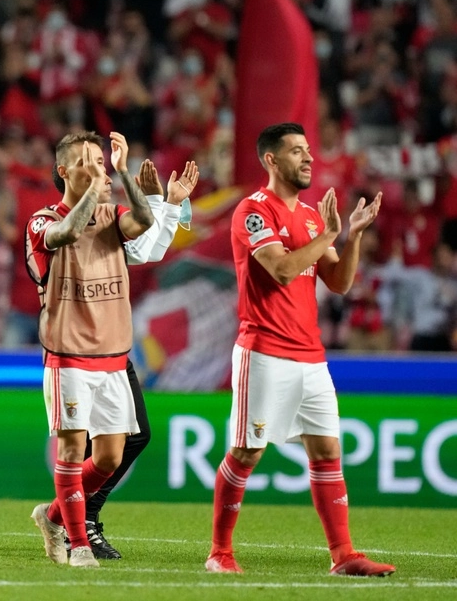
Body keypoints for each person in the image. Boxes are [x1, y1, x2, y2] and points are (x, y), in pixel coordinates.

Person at [206, 122, 394, 577]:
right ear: (271, 160)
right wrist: (329, 236)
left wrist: (352, 234)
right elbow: (284, 270)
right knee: (247, 451)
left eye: (308, 150)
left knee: (327, 450)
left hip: (311, 354)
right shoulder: (253, 211)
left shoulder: (312, 217)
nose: (308, 158)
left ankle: (343, 555)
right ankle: (220, 553)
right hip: (264, 349)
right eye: (296, 151)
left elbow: (341, 282)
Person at [24, 131, 154, 568]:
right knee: (71, 449)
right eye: (86, 161)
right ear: (64, 171)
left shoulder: (111, 213)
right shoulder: (41, 220)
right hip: (68, 354)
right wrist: (92, 194)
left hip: (114, 356)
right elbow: (65, 233)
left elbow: (144, 219)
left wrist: (123, 172)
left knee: (110, 457)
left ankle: (54, 514)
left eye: (98, 159)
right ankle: (79, 544)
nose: (95, 166)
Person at [81, 158, 198, 559]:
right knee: (87, 444)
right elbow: (141, 246)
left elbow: (146, 251)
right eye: (98, 170)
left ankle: (77, 517)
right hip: (78, 349)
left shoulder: (110, 221)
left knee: (134, 436)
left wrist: (166, 202)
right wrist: (157, 202)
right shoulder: (69, 226)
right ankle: (79, 522)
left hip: (113, 348)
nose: (108, 180)